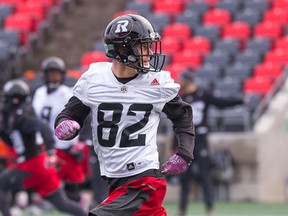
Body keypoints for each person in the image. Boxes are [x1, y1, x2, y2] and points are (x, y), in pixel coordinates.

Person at [54, 14, 195, 216]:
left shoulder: (157, 83)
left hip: (144, 179)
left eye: (150, 46)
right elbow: (70, 112)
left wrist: (184, 153)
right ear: (121, 49)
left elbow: (182, 116)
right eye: (142, 46)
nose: (149, 53)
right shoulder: (94, 79)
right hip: (114, 178)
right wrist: (65, 123)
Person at [0, 79, 87, 216]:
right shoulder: (17, 115)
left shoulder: (23, 117)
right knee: (63, 204)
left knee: (2, 184)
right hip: (40, 165)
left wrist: (51, 151)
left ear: (16, 99)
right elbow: (11, 139)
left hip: (33, 164)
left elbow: (43, 128)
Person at [174, 71, 243, 216]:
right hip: (186, 141)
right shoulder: (183, 98)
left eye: (182, 80)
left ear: (188, 80)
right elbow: (178, 123)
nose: (179, 82)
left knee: (205, 174)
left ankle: (209, 209)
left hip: (201, 139)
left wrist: (240, 100)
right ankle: (182, 209)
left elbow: (221, 103)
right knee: (185, 177)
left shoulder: (203, 95)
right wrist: (175, 144)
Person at [31, 56, 89, 204]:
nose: (53, 77)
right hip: (43, 144)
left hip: (63, 144)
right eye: (50, 73)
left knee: (70, 181)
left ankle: (76, 203)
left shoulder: (67, 93)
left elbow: (78, 116)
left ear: (62, 75)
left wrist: (78, 140)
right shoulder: (39, 93)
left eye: (56, 73)